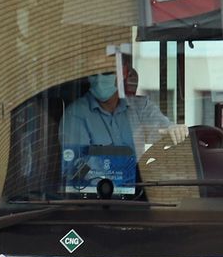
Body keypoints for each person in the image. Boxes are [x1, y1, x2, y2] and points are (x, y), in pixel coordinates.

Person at [59, 61, 184, 190]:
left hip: (140, 193)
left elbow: (162, 129)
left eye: (107, 73)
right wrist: (106, 182)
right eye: (94, 74)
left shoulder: (140, 107)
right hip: (96, 199)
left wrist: (173, 130)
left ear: (123, 72)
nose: (100, 80)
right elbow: (76, 164)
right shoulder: (75, 115)